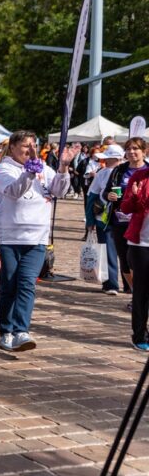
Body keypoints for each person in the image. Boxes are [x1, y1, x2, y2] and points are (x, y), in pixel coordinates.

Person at [0, 131, 76, 351]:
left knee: (27, 284)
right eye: (25, 146)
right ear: (12, 148)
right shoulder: (2, 170)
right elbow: (14, 191)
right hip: (9, 236)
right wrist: (30, 171)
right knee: (9, 286)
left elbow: (59, 190)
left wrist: (64, 167)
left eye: (33, 145)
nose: (30, 150)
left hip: (37, 237)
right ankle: (5, 330)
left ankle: (21, 331)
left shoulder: (44, 169)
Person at [99, 139, 148, 300]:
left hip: (143, 224)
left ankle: (141, 295)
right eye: (128, 149)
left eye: (135, 149)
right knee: (125, 260)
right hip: (120, 221)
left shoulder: (147, 170)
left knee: (139, 262)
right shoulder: (119, 170)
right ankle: (136, 294)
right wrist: (109, 196)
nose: (132, 152)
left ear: (144, 151)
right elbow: (106, 192)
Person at [87, 144, 125, 295]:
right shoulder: (103, 173)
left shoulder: (121, 172)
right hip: (105, 218)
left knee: (123, 252)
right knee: (111, 251)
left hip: (121, 218)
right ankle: (112, 283)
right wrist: (90, 220)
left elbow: (91, 197)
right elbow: (93, 196)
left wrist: (90, 220)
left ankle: (119, 284)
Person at [120, 162, 149, 351]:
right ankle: (139, 334)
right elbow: (125, 207)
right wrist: (137, 197)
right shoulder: (139, 176)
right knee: (142, 291)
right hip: (142, 243)